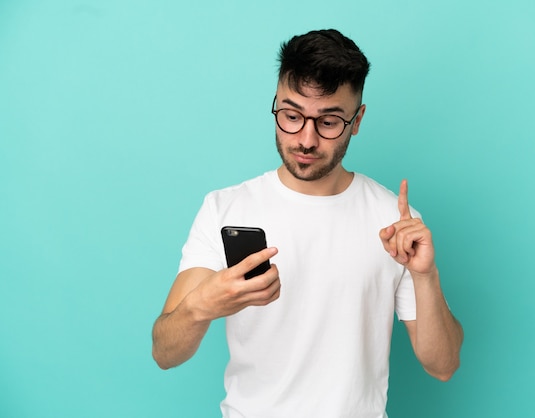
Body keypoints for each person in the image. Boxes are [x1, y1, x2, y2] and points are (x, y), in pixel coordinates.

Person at [152, 28, 463, 417]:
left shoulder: (395, 222)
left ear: (358, 119)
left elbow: (444, 365)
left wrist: (426, 275)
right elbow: (164, 352)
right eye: (291, 116)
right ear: (276, 105)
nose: (306, 139)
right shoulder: (225, 208)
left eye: (329, 122)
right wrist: (202, 305)